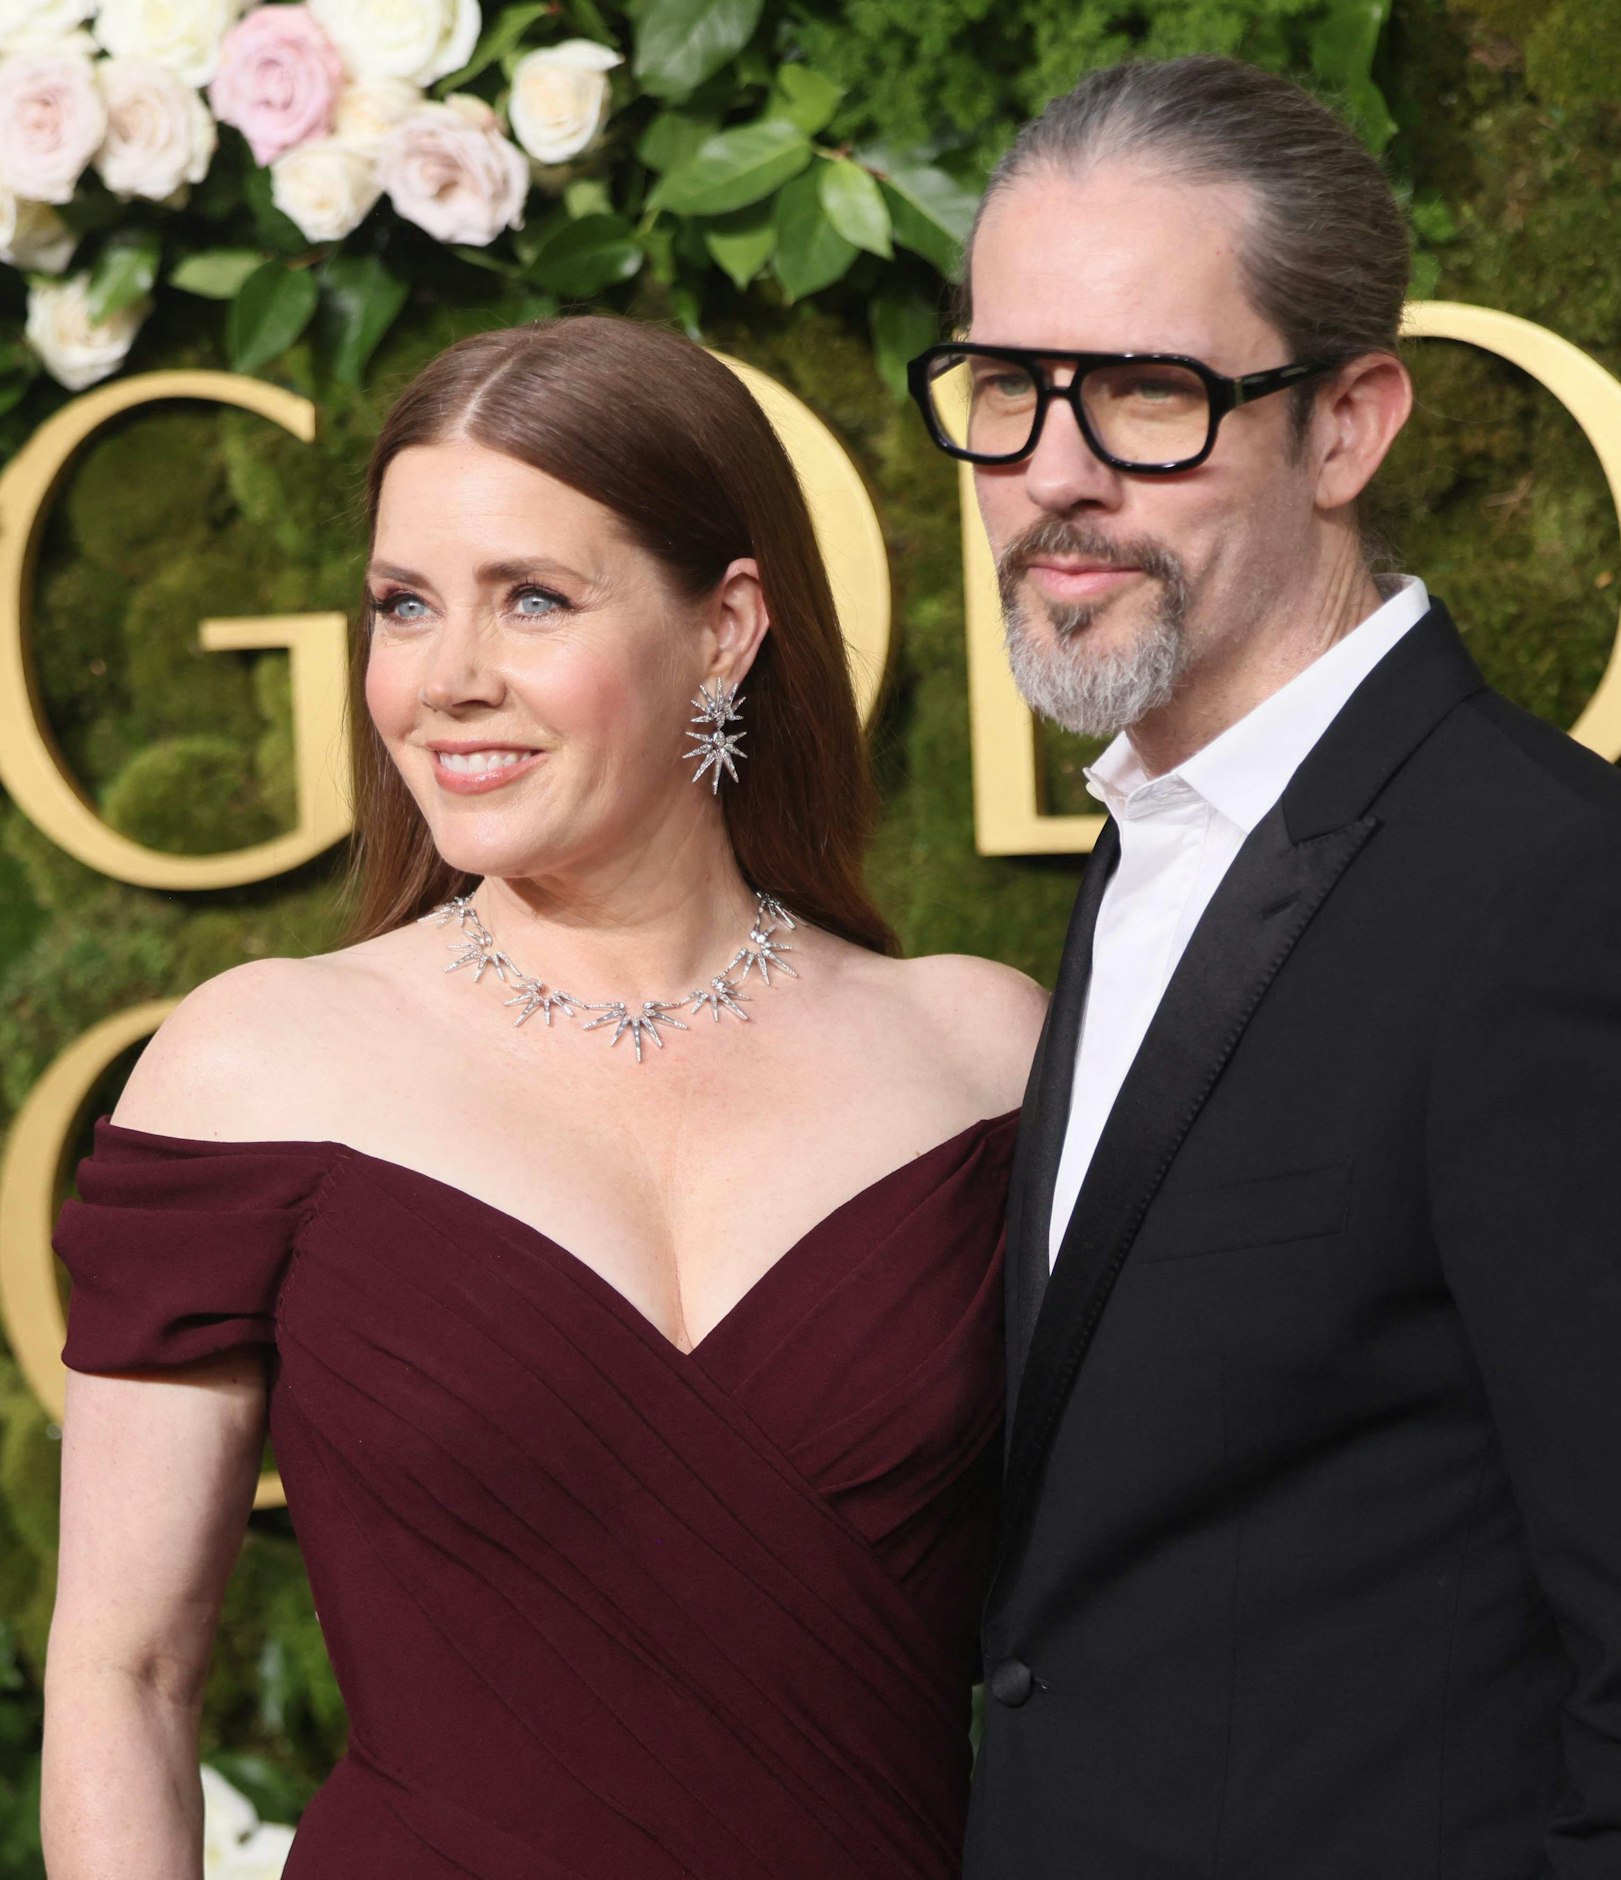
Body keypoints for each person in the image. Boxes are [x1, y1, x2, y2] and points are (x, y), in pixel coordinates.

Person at [906, 54, 1621, 1878]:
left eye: (1148, 398)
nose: (1052, 476)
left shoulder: (1560, 908)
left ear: (1348, 427)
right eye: (1010, 390)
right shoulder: (1155, 850)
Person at [43, 315, 1044, 1878]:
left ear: (725, 627)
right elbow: (126, 1678)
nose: (445, 681)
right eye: (404, 606)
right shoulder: (258, 1069)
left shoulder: (983, 1061)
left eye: (532, 600)